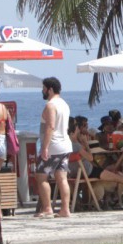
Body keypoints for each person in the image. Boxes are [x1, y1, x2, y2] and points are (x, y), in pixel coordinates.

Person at [71, 117, 123, 199]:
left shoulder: (68, 142)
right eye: (85, 125)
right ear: (77, 128)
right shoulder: (78, 143)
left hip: (73, 171)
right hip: (87, 170)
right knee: (117, 177)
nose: (87, 126)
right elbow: (90, 158)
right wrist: (86, 144)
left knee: (115, 174)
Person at [35, 77, 74, 218]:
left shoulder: (50, 105)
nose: (42, 91)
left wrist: (45, 147)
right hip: (65, 145)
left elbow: (50, 126)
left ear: (50, 89)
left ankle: (47, 208)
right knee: (62, 178)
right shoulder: (64, 104)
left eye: (44, 88)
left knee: (41, 176)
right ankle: (65, 209)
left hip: (53, 145)